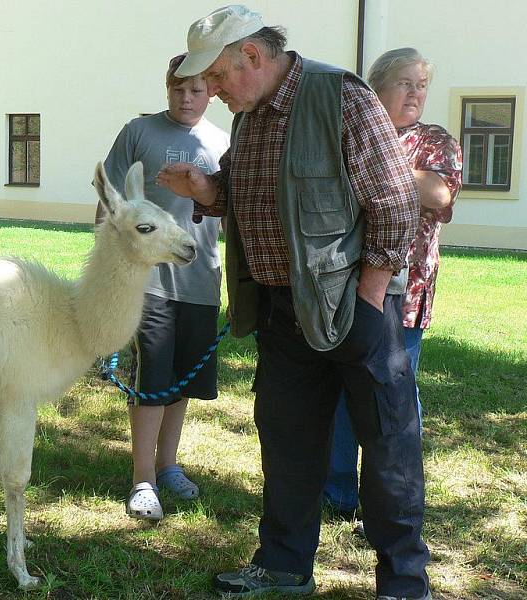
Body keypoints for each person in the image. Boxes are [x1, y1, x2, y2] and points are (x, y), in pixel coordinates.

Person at [157, 6, 430, 599]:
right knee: (287, 441)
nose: (213, 91)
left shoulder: (342, 99)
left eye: (219, 78)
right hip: (284, 310)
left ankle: (404, 579)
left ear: (252, 56)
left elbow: (396, 207)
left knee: (387, 444)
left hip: (358, 305)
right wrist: (207, 189)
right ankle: (283, 564)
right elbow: (247, 193)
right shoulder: (252, 115)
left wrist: (369, 297)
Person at [324, 48, 463, 531]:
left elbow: (438, 193)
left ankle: (390, 502)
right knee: (343, 393)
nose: (416, 92)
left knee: (392, 400)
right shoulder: (350, 132)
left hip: (405, 295)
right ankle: (337, 493)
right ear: (376, 86)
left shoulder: (433, 141)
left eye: (422, 84)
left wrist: (374, 163)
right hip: (342, 289)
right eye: (405, 82)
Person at [96, 53, 229, 521]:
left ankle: (169, 464)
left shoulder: (221, 141)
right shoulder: (140, 133)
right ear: (166, 88)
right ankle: (143, 477)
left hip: (201, 280)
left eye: (196, 89)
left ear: (211, 90)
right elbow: (110, 199)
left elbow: (229, 212)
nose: (187, 98)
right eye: (178, 89)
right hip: (146, 282)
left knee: (181, 379)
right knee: (152, 377)